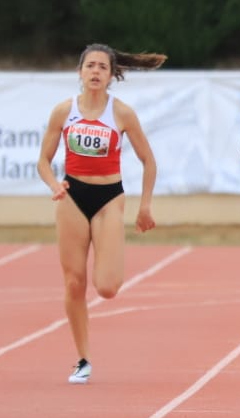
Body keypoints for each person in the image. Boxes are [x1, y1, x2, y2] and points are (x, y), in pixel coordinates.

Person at [35, 44, 164, 384]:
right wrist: (54, 185)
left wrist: (145, 205)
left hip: (109, 197)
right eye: (89, 66)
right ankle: (82, 359)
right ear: (80, 72)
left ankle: (113, 255)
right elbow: (43, 161)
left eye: (101, 67)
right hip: (71, 196)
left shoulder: (121, 113)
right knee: (74, 282)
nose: (95, 72)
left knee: (106, 287)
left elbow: (148, 161)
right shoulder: (63, 111)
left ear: (111, 75)